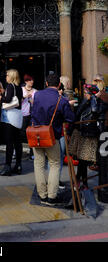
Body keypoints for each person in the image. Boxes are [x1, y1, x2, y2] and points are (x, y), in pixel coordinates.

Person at [31, 73, 75, 205]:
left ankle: (42, 195)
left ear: (46, 83)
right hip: (52, 136)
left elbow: (34, 111)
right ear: (59, 85)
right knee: (55, 164)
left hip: (36, 134)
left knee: (38, 165)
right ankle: (51, 196)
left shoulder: (37, 95)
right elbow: (70, 118)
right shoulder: (61, 100)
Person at [68, 83, 103, 187]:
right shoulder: (85, 102)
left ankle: (81, 182)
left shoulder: (96, 102)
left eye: (86, 93)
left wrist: (92, 99)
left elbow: (95, 111)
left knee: (83, 160)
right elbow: (77, 114)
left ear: (91, 94)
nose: (84, 94)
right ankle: (83, 182)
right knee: (81, 160)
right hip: (81, 133)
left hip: (89, 134)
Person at [0, 69, 23, 176]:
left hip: (10, 117)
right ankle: (18, 165)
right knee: (17, 141)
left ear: (12, 76)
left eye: (7, 75)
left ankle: (7, 167)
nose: (6, 77)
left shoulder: (10, 86)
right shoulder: (19, 88)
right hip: (18, 116)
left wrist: (0, 98)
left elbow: (7, 100)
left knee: (9, 142)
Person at [21, 74, 37, 161]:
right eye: (30, 80)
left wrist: (32, 101)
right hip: (22, 114)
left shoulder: (35, 91)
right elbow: (17, 101)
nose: (32, 82)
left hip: (32, 115)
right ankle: (17, 151)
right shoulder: (21, 90)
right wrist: (24, 97)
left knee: (32, 134)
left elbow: (38, 104)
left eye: (32, 80)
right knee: (21, 133)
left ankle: (32, 153)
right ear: (26, 81)